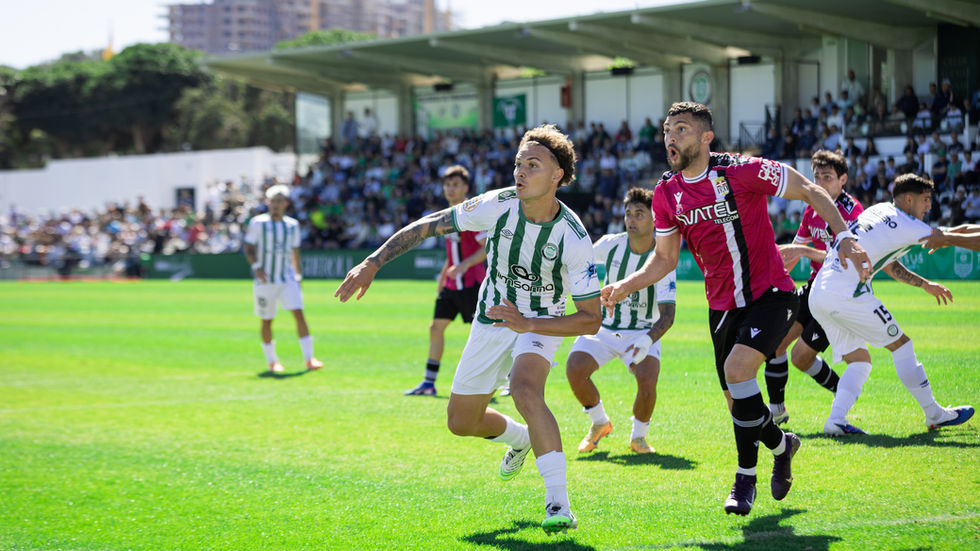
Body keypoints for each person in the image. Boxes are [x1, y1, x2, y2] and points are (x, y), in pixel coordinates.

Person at [601, 102, 871, 517]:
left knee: (737, 371)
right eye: (667, 130)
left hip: (772, 294)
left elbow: (809, 190)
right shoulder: (666, 193)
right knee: (738, 404)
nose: (671, 137)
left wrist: (845, 237)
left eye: (682, 129)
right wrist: (625, 285)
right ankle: (782, 446)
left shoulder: (743, 170)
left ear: (706, 137)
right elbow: (665, 258)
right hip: (722, 306)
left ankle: (745, 479)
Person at [335, 124, 601, 535]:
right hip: (490, 319)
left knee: (526, 390)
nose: (521, 171)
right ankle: (520, 438)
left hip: (541, 323)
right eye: (519, 163)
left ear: (557, 176)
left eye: (533, 165)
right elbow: (432, 223)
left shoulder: (574, 236)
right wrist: (373, 262)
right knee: (460, 421)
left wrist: (529, 323)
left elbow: (590, 318)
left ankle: (558, 504)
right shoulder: (497, 204)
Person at [809, 174, 974, 435]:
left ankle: (836, 421)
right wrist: (948, 239)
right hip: (846, 294)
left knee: (860, 361)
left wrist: (925, 284)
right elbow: (950, 238)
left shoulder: (879, 210)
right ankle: (934, 414)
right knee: (902, 345)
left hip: (819, 294)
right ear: (909, 199)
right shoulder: (907, 223)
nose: (929, 206)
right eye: (925, 200)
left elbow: (890, 264)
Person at [566, 187, 676, 455]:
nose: (631, 219)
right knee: (575, 369)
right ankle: (599, 422)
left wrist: (647, 340)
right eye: (628, 214)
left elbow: (668, 315)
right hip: (605, 328)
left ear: (654, 220)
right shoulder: (611, 244)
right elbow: (580, 261)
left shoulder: (663, 258)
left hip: (642, 330)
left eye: (639, 214)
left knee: (647, 380)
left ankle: (638, 438)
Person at [763, 151, 864, 425]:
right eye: (816, 177)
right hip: (813, 288)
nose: (819, 183)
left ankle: (842, 391)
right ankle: (777, 411)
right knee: (775, 344)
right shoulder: (811, 207)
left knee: (800, 357)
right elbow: (797, 249)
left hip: (837, 295)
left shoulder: (853, 212)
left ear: (843, 180)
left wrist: (803, 252)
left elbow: (847, 257)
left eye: (827, 177)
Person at [405, 166, 487, 396]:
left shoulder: (472, 214)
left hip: (472, 284)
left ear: (465, 188)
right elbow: (452, 253)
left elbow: (487, 248)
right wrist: (443, 278)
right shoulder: (447, 215)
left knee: (484, 334)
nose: (451, 189)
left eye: (456, 185)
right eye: (447, 185)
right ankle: (428, 383)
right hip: (451, 285)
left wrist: (464, 265)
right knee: (436, 327)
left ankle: (503, 380)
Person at [243, 185, 323, 373]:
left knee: (299, 313)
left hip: (287, 278)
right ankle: (272, 361)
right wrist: (256, 268)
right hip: (265, 281)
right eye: (273, 201)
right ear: (268, 202)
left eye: (279, 201)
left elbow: (295, 253)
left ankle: (309, 358)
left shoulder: (292, 225)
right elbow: (248, 248)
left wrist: (298, 276)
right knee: (267, 320)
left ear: (286, 204)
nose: (276, 205)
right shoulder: (258, 223)